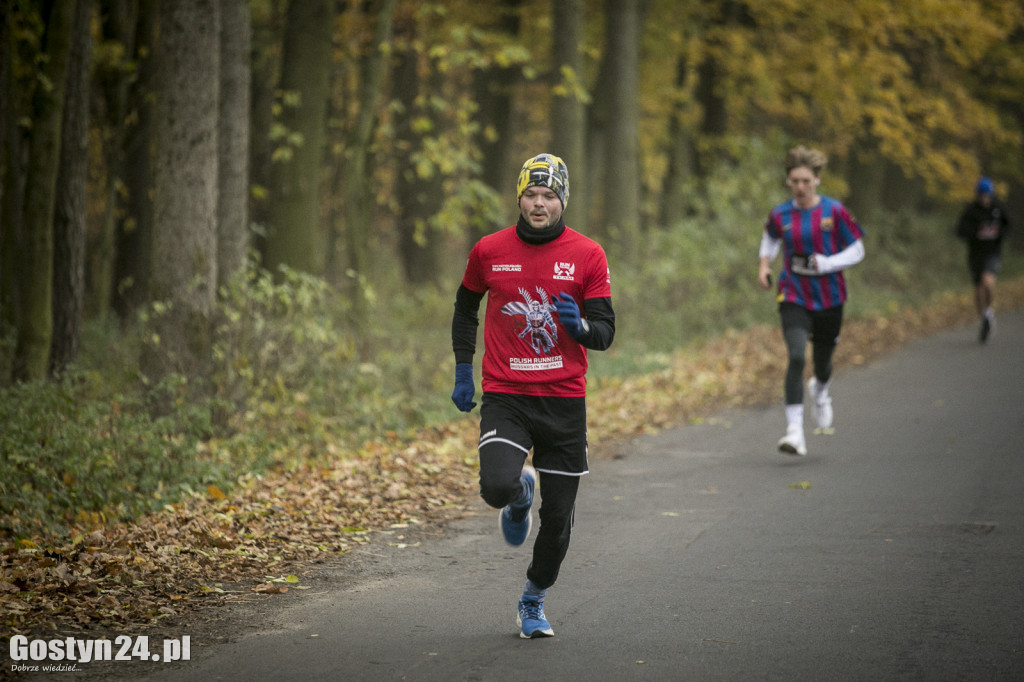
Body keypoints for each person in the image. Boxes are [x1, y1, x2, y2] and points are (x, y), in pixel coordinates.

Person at [450, 153, 615, 638]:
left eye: (548, 196)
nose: (539, 204)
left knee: (559, 521)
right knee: (496, 487)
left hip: (564, 399)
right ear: (518, 197)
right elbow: (465, 308)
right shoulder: (488, 250)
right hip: (507, 394)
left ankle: (533, 598)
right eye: (531, 194)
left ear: (562, 200)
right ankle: (519, 492)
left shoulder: (588, 254)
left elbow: (605, 332)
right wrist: (464, 371)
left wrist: (579, 326)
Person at [757, 146, 865, 456]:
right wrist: (765, 265)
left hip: (830, 297)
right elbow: (771, 237)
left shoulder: (835, 212)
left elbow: (858, 250)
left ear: (817, 180)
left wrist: (827, 263)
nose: (800, 187)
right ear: (788, 181)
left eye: (805, 180)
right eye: (794, 181)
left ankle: (820, 390)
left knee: (822, 363)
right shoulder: (780, 214)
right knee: (796, 356)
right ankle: (794, 431)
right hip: (793, 294)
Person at [955, 177, 1011, 343]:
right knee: (978, 291)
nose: (985, 198)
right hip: (976, 255)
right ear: (978, 195)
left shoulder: (998, 209)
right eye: (982, 195)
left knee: (988, 282)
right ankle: (985, 318)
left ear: (991, 194)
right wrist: (973, 233)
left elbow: (1008, 226)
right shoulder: (971, 211)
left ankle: (989, 312)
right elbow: (960, 230)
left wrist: (999, 234)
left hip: (992, 252)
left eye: (987, 195)